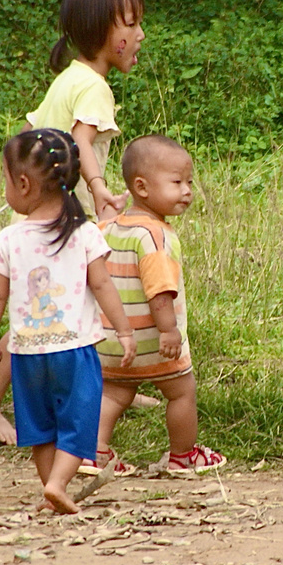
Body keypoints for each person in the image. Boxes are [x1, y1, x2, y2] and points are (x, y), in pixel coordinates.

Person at [0, 0, 147, 446]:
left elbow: (34, 136)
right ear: (104, 30)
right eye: (132, 24)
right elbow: (81, 140)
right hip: (57, 221)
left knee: (65, 305)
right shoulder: (94, 87)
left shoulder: (69, 77)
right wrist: (100, 188)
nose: (141, 35)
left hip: (38, 214)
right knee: (38, 317)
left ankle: (107, 379)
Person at [0, 128, 136, 514]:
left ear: (25, 183)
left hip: (26, 354)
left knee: (41, 426)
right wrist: (124, 330)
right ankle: (59, 485)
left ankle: (50, 487)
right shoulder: (84, 234)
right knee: (77, 423)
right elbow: (104, 285)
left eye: (7, 180)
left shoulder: (9, 239)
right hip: (74, 351)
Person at [86, 135, 226, 476]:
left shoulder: (105, 227)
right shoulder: (156, 236)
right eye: (177, 182)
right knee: (181, 392)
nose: (187, 191)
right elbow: (159, 289)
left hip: (111, 340)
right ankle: (183, 456)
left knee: (115, 393)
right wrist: (169, 330)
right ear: (141, 187)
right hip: (154, 339)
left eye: (189, 182)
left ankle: (95, 454)